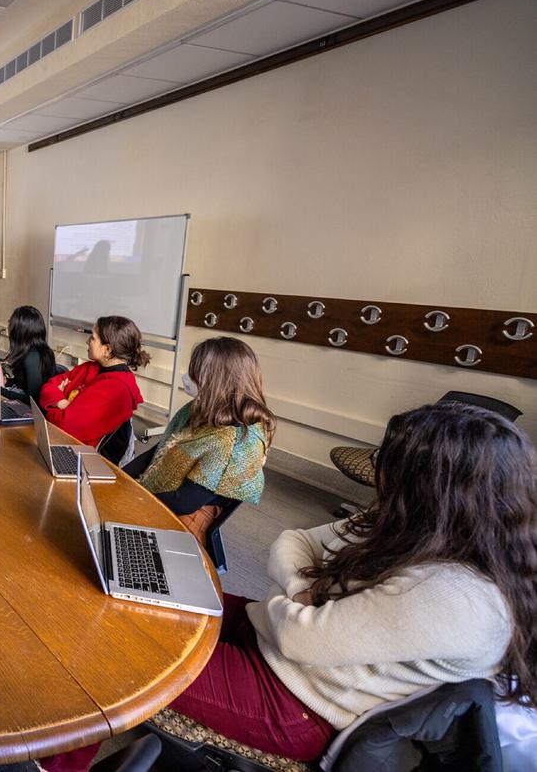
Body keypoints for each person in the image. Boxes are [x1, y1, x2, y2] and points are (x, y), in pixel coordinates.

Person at [42, 402, 537, 770]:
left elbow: (299, 638)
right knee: (131, 591)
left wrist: (297, 604)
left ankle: (53, 764)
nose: (379, 481)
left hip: (297, 704)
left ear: (438, 489)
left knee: (99, 646)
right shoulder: (410, 525)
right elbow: (291, 541)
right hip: (276, 640)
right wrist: (306, 596)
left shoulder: (461, 596)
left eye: (394, 470)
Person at [128, 336, 274, 536]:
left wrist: (131, 496)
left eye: (194, 372)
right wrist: (120, 478)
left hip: (182, 515)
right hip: (164, 498)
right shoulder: (199, 409)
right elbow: (161, 448)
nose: (186, 377)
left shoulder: (233, 443)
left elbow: (184, 502)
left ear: (216, 382)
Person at [38, 315, 146, 448]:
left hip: (74, 454)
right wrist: (62, 403)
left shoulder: (116, 389)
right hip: (55, 439)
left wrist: (53, 404)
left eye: (93, 338)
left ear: (107, 349)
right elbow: (47, 387)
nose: (86, 341)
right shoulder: (90, 367)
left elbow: (65, 427)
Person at [0, 305, 57, 405]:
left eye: (11, 324)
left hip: (32, 413)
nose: (8, 326)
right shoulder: (40, 351)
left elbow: (32, 400)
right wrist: (8, 382)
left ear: (20, 331)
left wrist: (1, 391)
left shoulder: (32, 358)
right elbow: (25, 383)